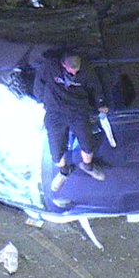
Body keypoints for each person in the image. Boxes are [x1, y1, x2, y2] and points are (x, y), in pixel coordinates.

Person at [33, 50, 109, 191]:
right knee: (56, 150)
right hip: (55, 112)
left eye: (77, 71)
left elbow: (96, 88)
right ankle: (63, 172)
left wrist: (101, 104)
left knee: (87, 143)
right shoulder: (49, 67)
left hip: (78, 111)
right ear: (63, 65)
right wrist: (42, 100)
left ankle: (88, 166)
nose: (74, 74)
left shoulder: (87, 70)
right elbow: (39, 83)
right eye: (71, 71)